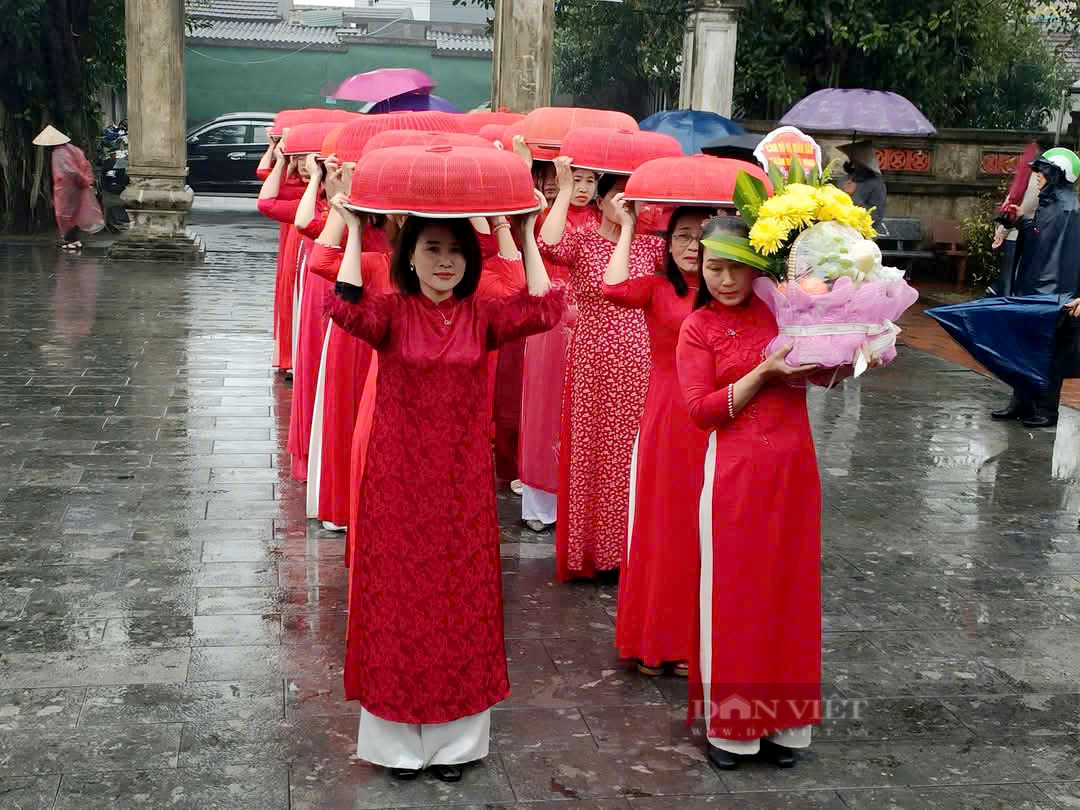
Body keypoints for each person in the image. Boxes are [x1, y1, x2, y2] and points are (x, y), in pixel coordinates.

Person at [327, 189, 564, 782]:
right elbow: (345, 307)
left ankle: (456, 745)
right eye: (432, 249)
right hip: (397, 482)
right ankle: (397, 746)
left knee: (460, 604)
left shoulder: (481, 316)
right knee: (398, 603)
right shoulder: (392, 312)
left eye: (456, 251)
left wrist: (528, 229)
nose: (444, 262)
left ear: (469, 260)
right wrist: (357, 229)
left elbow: (544, 309)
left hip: (462, 486)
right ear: (409, 255)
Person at [676, 217, 830, 771]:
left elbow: (824, 376)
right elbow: (699, 410)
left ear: (757, 265)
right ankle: (734, 728)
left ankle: (786, 725)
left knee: (789, 589)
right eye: (713, 267)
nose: (723, 278)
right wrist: (763, 372)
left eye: (736, 266)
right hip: (735, 474)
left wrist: (855, 349)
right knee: (736, 593)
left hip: (793, 469)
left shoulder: (786, 311)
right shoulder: (698, 327)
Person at [539, 156, 666, 581]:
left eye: (635, 198)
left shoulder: (652, 246)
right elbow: (547, 245)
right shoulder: (586, 241)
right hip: (591, 357)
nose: (627, 205)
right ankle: (589, 552)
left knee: (627, 453)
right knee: (590, 450)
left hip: (639, 357)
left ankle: (625, 551)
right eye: (619, 196)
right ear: (603, 198)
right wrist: (560, 187)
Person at [602, 201, 712, 677]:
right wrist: (626, 227)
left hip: (713, 419)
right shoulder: (658, 287)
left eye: (702, 236)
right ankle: (653, 639)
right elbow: (613, 288)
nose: (692, 245)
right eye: (683, 235)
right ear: (668, 243)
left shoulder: (728, 292)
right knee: (660, 525)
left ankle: (690, 640)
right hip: (666, 418)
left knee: (699, 529)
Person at [516, 139, 601, 531]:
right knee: (544, 405)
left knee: (583, 410)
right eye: (575, 179)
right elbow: (545, 247)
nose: (583, 187)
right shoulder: (548, 214)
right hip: (550, 321)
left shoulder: (604, 221)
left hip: (589, 326)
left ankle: (580, 499)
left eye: (590, 180)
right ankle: (540, 500)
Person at [992, 147, 1080, 428]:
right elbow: (1040, 238)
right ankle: (1021, 402)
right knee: (1025, 344)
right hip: (1033, 287)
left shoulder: (1071, 210)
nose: (1037, 175)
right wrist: (1017, 222)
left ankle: (1046, 409)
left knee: (1051, 352)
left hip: (1058, 294)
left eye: (1043, 170)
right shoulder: (1049, 204)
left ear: (1057, 174)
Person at [33, 125, 104, 251]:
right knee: (75, 213)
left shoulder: (58, 153)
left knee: (64, 214)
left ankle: (71, 240)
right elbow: (85, 165)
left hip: (66, 188)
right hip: (76, 186)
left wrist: (79, 180)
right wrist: (85, 181)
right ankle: (74, 239)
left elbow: (69, 171)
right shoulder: (74, 149)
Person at [838, 141, 887, 231]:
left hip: (862, 235)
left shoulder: (877, 184)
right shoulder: (843, 180)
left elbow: (875, 219)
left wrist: (853, 197)